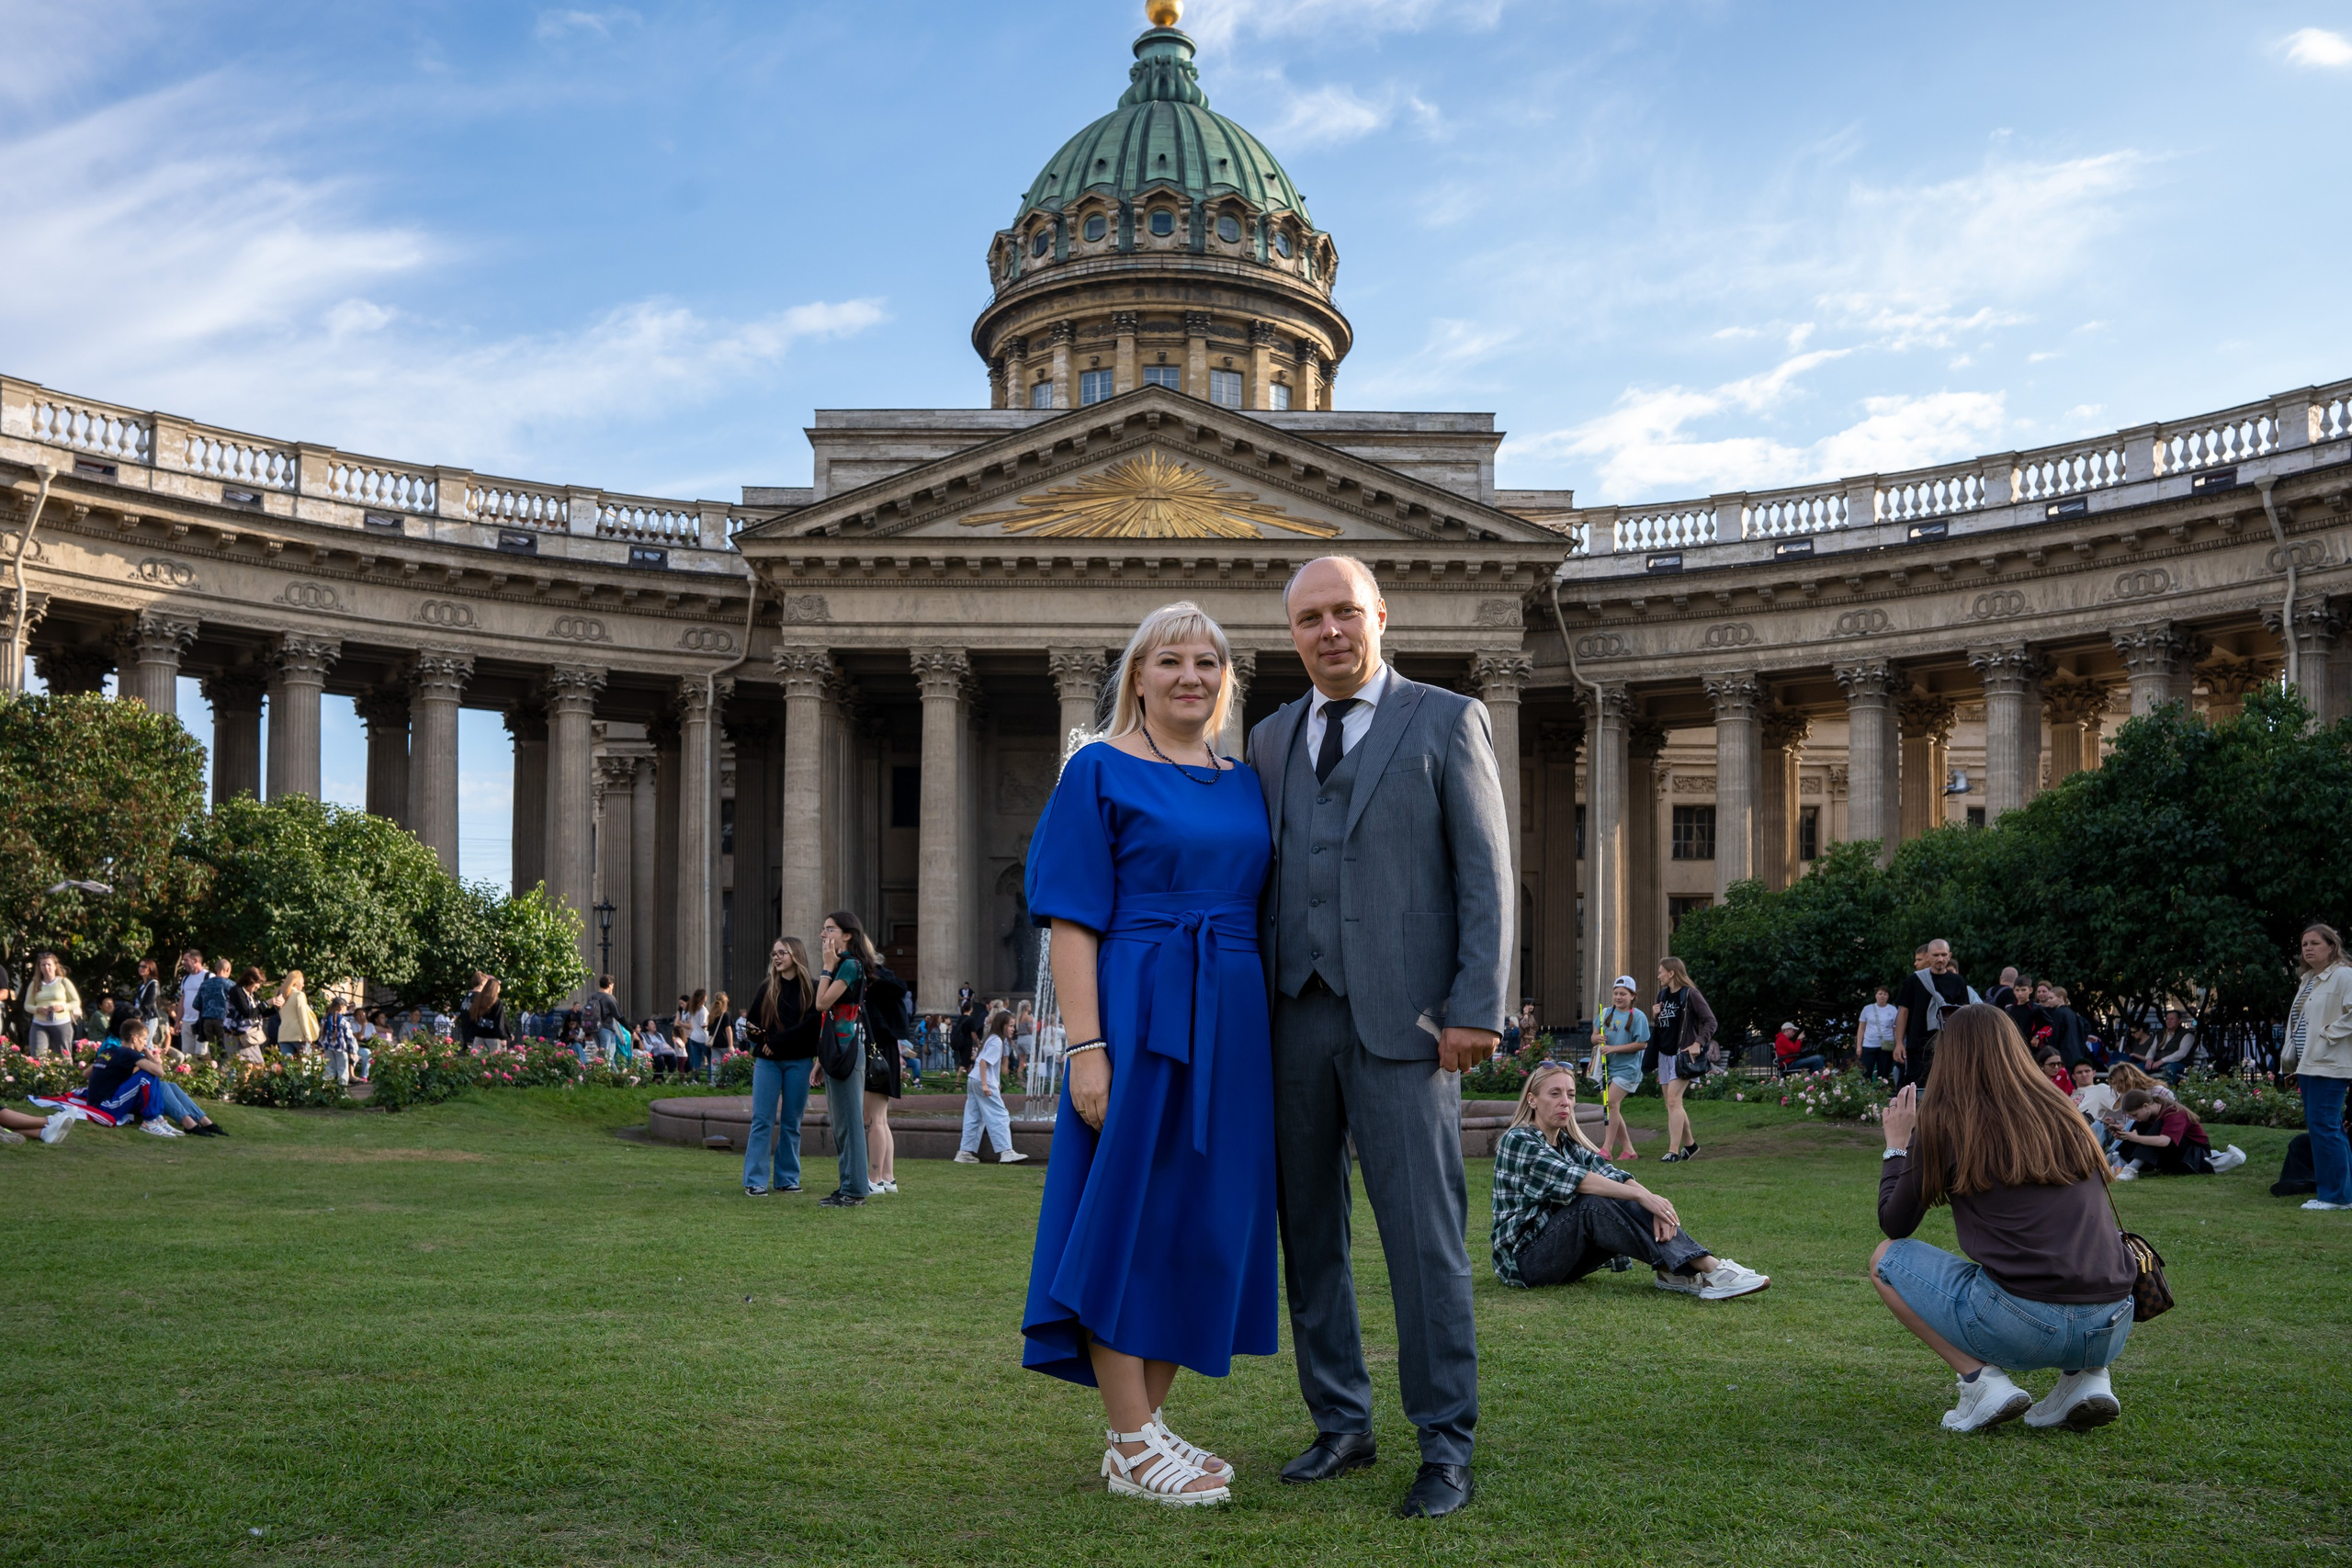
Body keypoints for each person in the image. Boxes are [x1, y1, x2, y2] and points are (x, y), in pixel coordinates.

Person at [1251, 557, 1510, 1518]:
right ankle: (1340, 1423)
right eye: (1310, 618)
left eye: (1345, 613)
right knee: (1309, 1236)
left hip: (1408, 1025)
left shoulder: (1445, 718)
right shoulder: (1271, 738)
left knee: (1424, 1240)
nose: (1329, 631)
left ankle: (1444, 1444)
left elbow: (1486, 874)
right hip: (1291, 1021)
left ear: (1381, 617)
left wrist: (1476, 1005)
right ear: (1293, 635)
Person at [1023, 599, 1269, 1508]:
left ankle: (1143, 1429)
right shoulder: (1096, 769)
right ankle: (1130, 1439)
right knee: (1126, 1216)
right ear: (1136, 675)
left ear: (1225, 679)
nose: (1190, 677)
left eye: (1207, 662)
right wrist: (1088, 1049)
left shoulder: (1242, 780)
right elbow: (1071, 920)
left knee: (1202, 1220)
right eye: (1170, 661)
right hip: (1137, 1004)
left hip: (1233, 1018)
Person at [1870, 1005, 2136, 1433]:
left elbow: (1895, 1224)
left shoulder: (1947, 1122)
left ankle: (1981, 1383)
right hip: (2112, 1321)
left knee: (1886, 1258)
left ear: (1950, 1057)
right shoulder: (2065, 1112)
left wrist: (1898, 1145)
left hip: (2025, 1326)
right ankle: (2087, 1379)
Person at [1489, 1062, 1770, 1297]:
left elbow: (1612, 1173)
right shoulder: (1519, 1140)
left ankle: (1673, 1273)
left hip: (1559, 1258)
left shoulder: (1568, 1144)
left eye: (1571, 1094)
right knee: (1592, 1203)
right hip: (1524, 1263)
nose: (1566, 1102)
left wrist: (1653, 1203)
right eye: (1555, 1094)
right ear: (1532, 1099)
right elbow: (1579, 1180)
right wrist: (1641, 1197)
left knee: (1615, 1191)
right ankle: (1709, 1267)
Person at [742, 939, 821, 1196]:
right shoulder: (767, 987)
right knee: (762, 1120)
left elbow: (812, 1025)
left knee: (791, 1122)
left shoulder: (813, 988)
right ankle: (754, 1180)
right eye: (773, 953)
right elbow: (753, 1023)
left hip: (799, 1061)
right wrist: (754, 1033)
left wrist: (777, 1041)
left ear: (795, 955)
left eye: (781, 953)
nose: (776, 958)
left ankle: (787, 1179)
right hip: (768, 1062)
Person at [2283, 920, 2352, 1211]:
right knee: (2328, 1127)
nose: (2308, 949)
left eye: (2315, 943)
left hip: (2329, 1064)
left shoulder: (2344, 975)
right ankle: (2341, 1192)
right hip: (2309, 1065)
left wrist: (2328, 1034)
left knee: (2324, 1128)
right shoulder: (2308, 979)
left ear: (2331, 946)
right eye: (2304, 945)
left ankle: (2335, 1196)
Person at [812, 912, 876, 1208]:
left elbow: (821, 1003)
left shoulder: (849, 965)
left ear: (847, 935)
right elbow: (830, 1014)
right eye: (823, 930)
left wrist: (826, 968)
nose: (823, 935)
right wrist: (820, 1059)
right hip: (837, 1049)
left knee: (849, 1122)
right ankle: (848, 1185)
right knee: (841, 1123)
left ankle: (855, 1190)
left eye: (830, 929)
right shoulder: (843, 966)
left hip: (848, 1049)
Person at [85, 1019, 227, 1137]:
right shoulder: (127, 1053)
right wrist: (153, 1058)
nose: (145, 1044)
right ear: (134, 1038)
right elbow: (159, 1072)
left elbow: (86, 1073)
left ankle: (203, 1121)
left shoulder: (112, 1051)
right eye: (144, 1039)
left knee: (168, 1085)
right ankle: (157, 1121)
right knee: (148, 1075)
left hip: (101, 1101)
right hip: (106, 1106)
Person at [1652, 956, 1717, 1162]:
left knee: (1673, 1100)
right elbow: (1665, 1027)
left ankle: (1673, 1151)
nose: (1658, 975)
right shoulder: (1662, 995)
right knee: (1671, 1103)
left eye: (1661, 971)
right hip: (1664, 1055)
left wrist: (1698, 1042)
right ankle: (1690, 1145)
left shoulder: (1691, 994)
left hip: (1683, 1056)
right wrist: (1655, 1016)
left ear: (1671, 973)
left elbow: (1711, 1022)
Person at [1893, 939, 1973, 1092]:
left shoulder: (1958, 981)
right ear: (1928, 956)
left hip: (1948, 1042)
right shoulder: (1914, 980)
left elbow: (1964, 1012)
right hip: (1917, 1044)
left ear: (1949, 956)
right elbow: (1903, 1012)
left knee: (1947, 1086)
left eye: (1943, 955)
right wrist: (1899, 1043)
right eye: (1936, 955)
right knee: (1916, 1087)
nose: (1940, 959)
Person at [2110, 1089, 2243, 1178]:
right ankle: (2116, 1162)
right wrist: (2125, 1136)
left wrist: (2136, 1138)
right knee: (2139, 1125)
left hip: (2192, 1154)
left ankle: (2131, 1169)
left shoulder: (2174, 1113)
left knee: (2154, 1127)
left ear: (2146, 1106)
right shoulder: (2152, 1114)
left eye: (2135, 1114)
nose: (2134, 1118)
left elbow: (2164, 1141)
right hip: (2175, 1152)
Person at [955, 1007, 1026, 1167]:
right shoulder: (997, 1042)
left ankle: (964, 1152)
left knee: (974, 1117)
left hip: (974, 1080)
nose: (1013, 1029)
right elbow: (984, 1062)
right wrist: (987, 1084)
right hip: (981, 1082)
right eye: (1010, 1026)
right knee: (1000, 1115)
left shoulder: (991, 1038)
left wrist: (994, 1082)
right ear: (1002, 1025)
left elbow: (982, 1061)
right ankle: (1006, 1152)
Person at [1589, 977, 1648, 1163]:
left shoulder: (1638, 1016)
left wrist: (1613, 1049)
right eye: (1616, 993)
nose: (1618, 997)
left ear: (1632, 996)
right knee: (1612, 1107)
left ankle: (1606, 1148)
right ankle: (1629, 1150)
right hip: (1608, 1067)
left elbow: (1642, 1044)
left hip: (1628, 1069)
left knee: (1611, 1103)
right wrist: (1597, 1039)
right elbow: (1594, 1036)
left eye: (1623, 994)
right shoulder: (1606, 1013)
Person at [24, 952, 81, 1060]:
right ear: (39, 967)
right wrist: (38, 1009)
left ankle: (65, 1077)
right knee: (38, 1056)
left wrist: (62, 1008)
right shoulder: (35, 984)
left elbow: (75, 1001)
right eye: (43, 965)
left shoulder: (63, 982)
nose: (46, 967)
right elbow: (27, 1005)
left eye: (49, 964)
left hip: (61, 1023)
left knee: (64, 1056)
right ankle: (40, 1076)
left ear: (55, 966)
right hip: (39, 1024)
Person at [1856, 986, 1898, 1082]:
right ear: (1876, 995)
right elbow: (1861, 1028)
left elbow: (1895, 1029)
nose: (1882, 996)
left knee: (1884, 1073)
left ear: (1888, 996)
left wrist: (1897, 1044)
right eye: (1880, 993)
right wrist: (1859, 1046)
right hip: (1869, 1044)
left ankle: (1881, 1092)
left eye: (1885, 994)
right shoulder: (1867, 1009)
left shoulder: (1892, 1010)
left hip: (1886, 1045)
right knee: (1866, 1072)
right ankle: (1866, 1092)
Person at [275, 972, 320, 1058]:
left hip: (283, 1035)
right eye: (302, 982)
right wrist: (308, 1036)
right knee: (305, 1066)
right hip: (298, 1035)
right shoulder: (299, 995)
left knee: (287, 1066)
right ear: (296, 982)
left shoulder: (282, 995)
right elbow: (303, 1018)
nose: (303, 985)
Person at [589, 974, 626, 1065]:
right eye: (612, 986)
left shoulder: (592, 996)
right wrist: (630, 1031)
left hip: (594, 1029)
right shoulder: (609, 998)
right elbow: (618, 1017)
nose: (612, 988)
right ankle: (599, 1075)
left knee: (608, 1056)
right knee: (605, 1057)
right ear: (609, 984)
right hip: (606, 1029)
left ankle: (615, 1076)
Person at [464, 973, 505, 1052]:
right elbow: (499, 1021)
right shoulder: (496, 1002)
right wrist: (502, 1037)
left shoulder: (478, 999)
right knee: (494, 1060)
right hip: (493, 1036)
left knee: (477, 1060)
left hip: (479, 1035)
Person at [321, 997, 357, 1086]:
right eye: (345, 1006)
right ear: (341, 1006)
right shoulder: (344, 1020)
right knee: (342, 1069)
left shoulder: (324, 1019)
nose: (346, 1008)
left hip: (327, 1047)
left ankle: (326, 1090)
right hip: (340, 1048)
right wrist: (353, 1051)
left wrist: (321, 1047)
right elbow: (349, 1037)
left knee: (329, 1069)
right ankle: (342, 1093)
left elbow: (321, 1034)